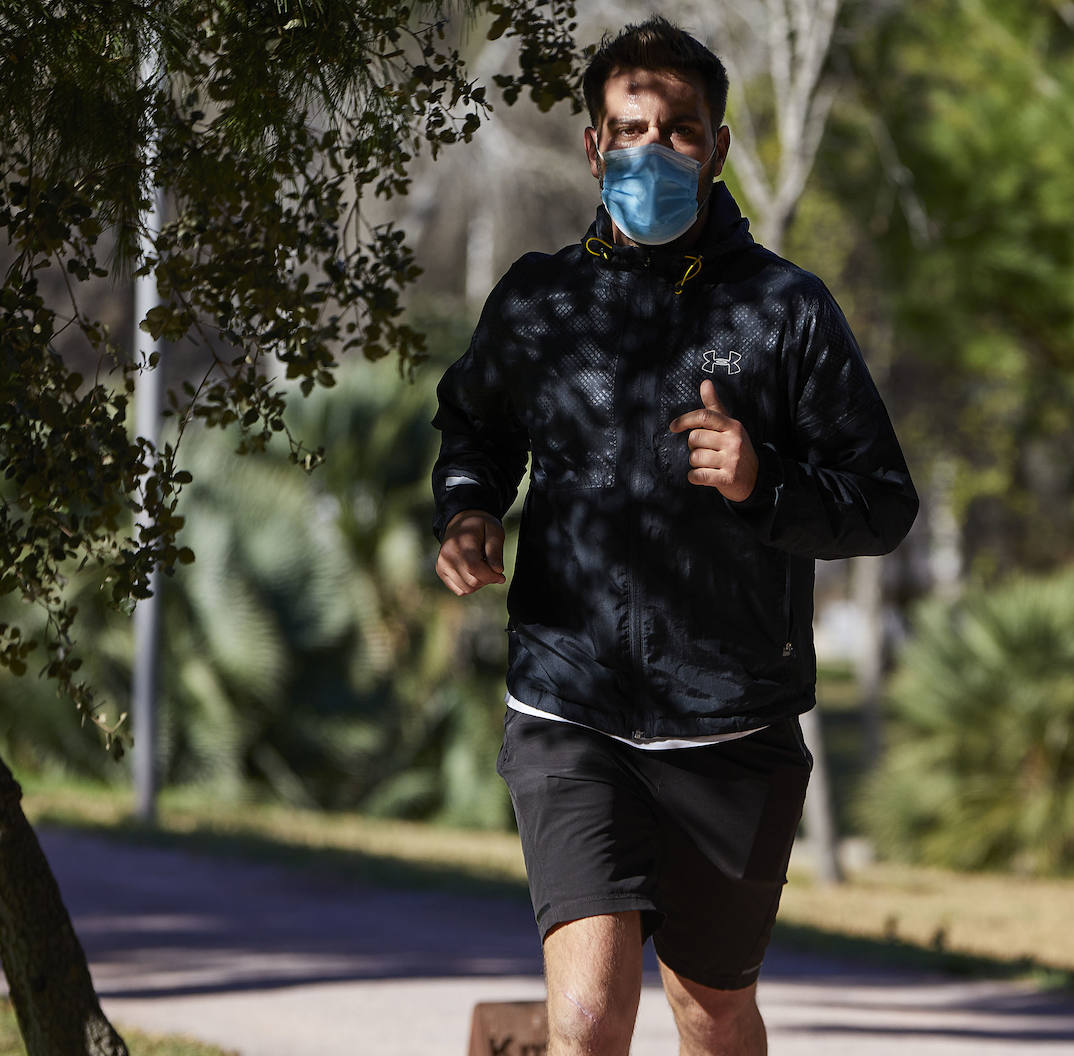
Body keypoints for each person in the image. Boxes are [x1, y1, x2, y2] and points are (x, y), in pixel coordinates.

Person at [431, 16, 918, 1056]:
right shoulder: (541, 300)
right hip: (572, 708)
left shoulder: (787, 312)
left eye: (681, 130)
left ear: (720, 147)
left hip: (733, 724)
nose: (654, 151)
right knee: (589, 1018)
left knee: (711, 1010)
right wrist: (469, 507)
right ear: (594, 147)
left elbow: (883, 502)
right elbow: (475, 421)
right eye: (632, 129)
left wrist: (764, 482)